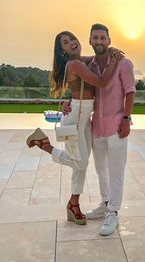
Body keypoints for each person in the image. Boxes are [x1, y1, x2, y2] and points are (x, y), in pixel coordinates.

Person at [26, 31, 122, 225]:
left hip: (84, 119)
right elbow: (102, 82)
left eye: (72, 39)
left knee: (81, 164)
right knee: (81, 164)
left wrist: (110, 51)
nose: (71, 43)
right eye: (65, 42)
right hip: (74, 119)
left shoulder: (82, 60)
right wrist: (113, 60)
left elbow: (97, 56)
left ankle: (74, 204)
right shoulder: (75, 64)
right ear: (62, 51)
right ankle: (44, 144)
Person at [62, 23, 136, 236]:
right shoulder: (90, 65)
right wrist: (67, 102)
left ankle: (113, 211)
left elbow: (130, 92)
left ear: (109, 41)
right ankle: (105, 203)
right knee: (100, 170)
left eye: (103, 38)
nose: (99, 41)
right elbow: (81, 87)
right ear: (90, 41)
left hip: (116, 126)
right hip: (96, 128)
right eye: (95, 38)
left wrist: (126, 118)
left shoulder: (124, 64)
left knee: (116, 171)